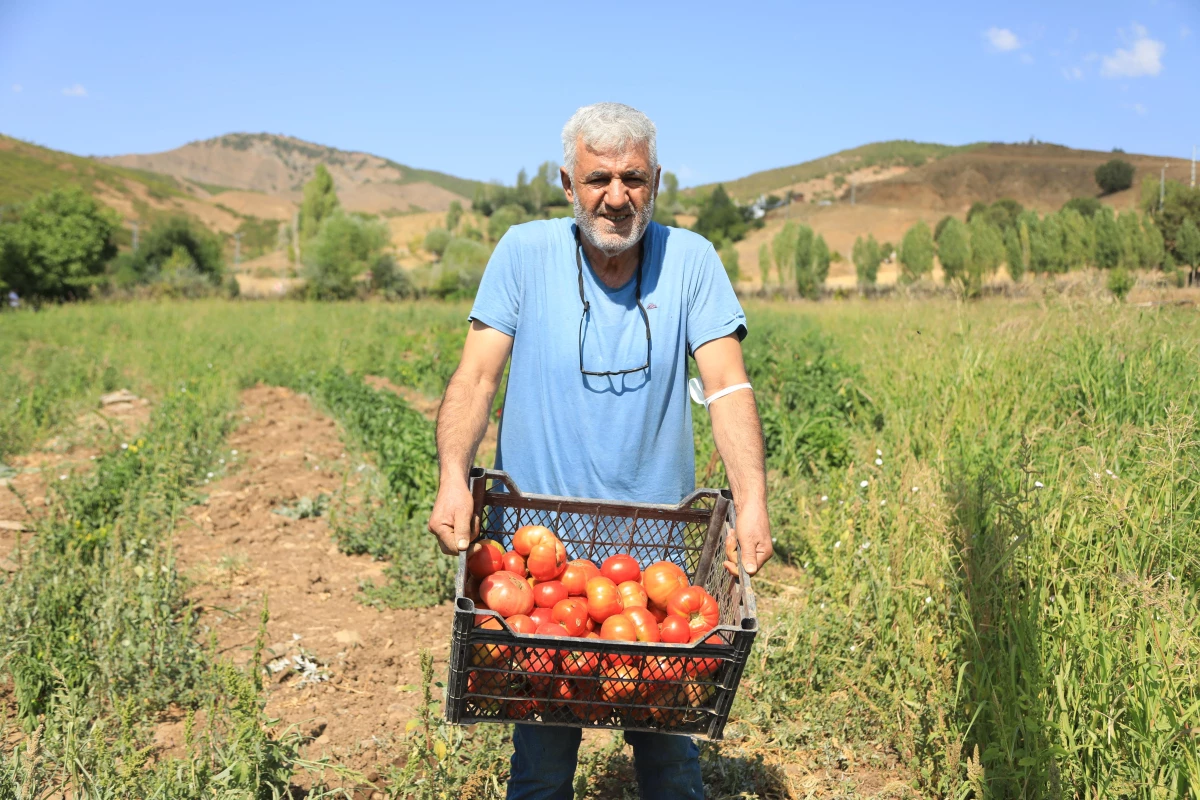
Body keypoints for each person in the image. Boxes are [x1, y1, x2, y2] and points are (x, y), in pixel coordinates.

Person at [427, 102, 772, 800]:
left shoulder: (692, 262)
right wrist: (451, 478)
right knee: (543, 759)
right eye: (598, 179)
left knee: (669, 755)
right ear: (567, 184)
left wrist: (755, 502)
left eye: (634, 179)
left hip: (657, 558)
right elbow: (476, 376)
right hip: (540, 556)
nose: (616, 197)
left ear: (657, 181)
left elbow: (728, 387)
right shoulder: (524, 255)